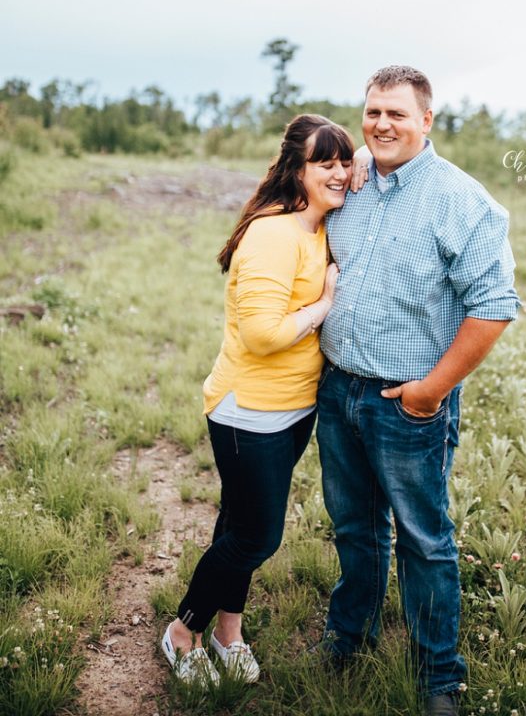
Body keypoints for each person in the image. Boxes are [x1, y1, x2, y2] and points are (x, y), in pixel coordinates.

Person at [316, 66, 521, 716]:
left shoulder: (460, 200)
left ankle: (438, 674)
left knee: (421, 536)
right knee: (354, 528)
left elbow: (492, 306)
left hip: (408, 403)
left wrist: (430, 392)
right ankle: (351, 636)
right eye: (372, 112)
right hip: (338, 392)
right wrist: (344, 160)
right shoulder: (349, 181)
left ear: (426, 120)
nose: (381, 124)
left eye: (396, 114)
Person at [161, 114, 354, 685]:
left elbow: (356, 168)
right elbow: (263, 335)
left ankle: (229, 633)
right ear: (297, 170)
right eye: (327, 162)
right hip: (250, 412)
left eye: (346, 161)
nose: (341, 172)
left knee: (237, 520)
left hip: (292, 409)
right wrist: (325, 303)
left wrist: (357, 161)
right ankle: (182, 631)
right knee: (257, 534)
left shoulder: (317, 224)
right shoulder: (275, 234)